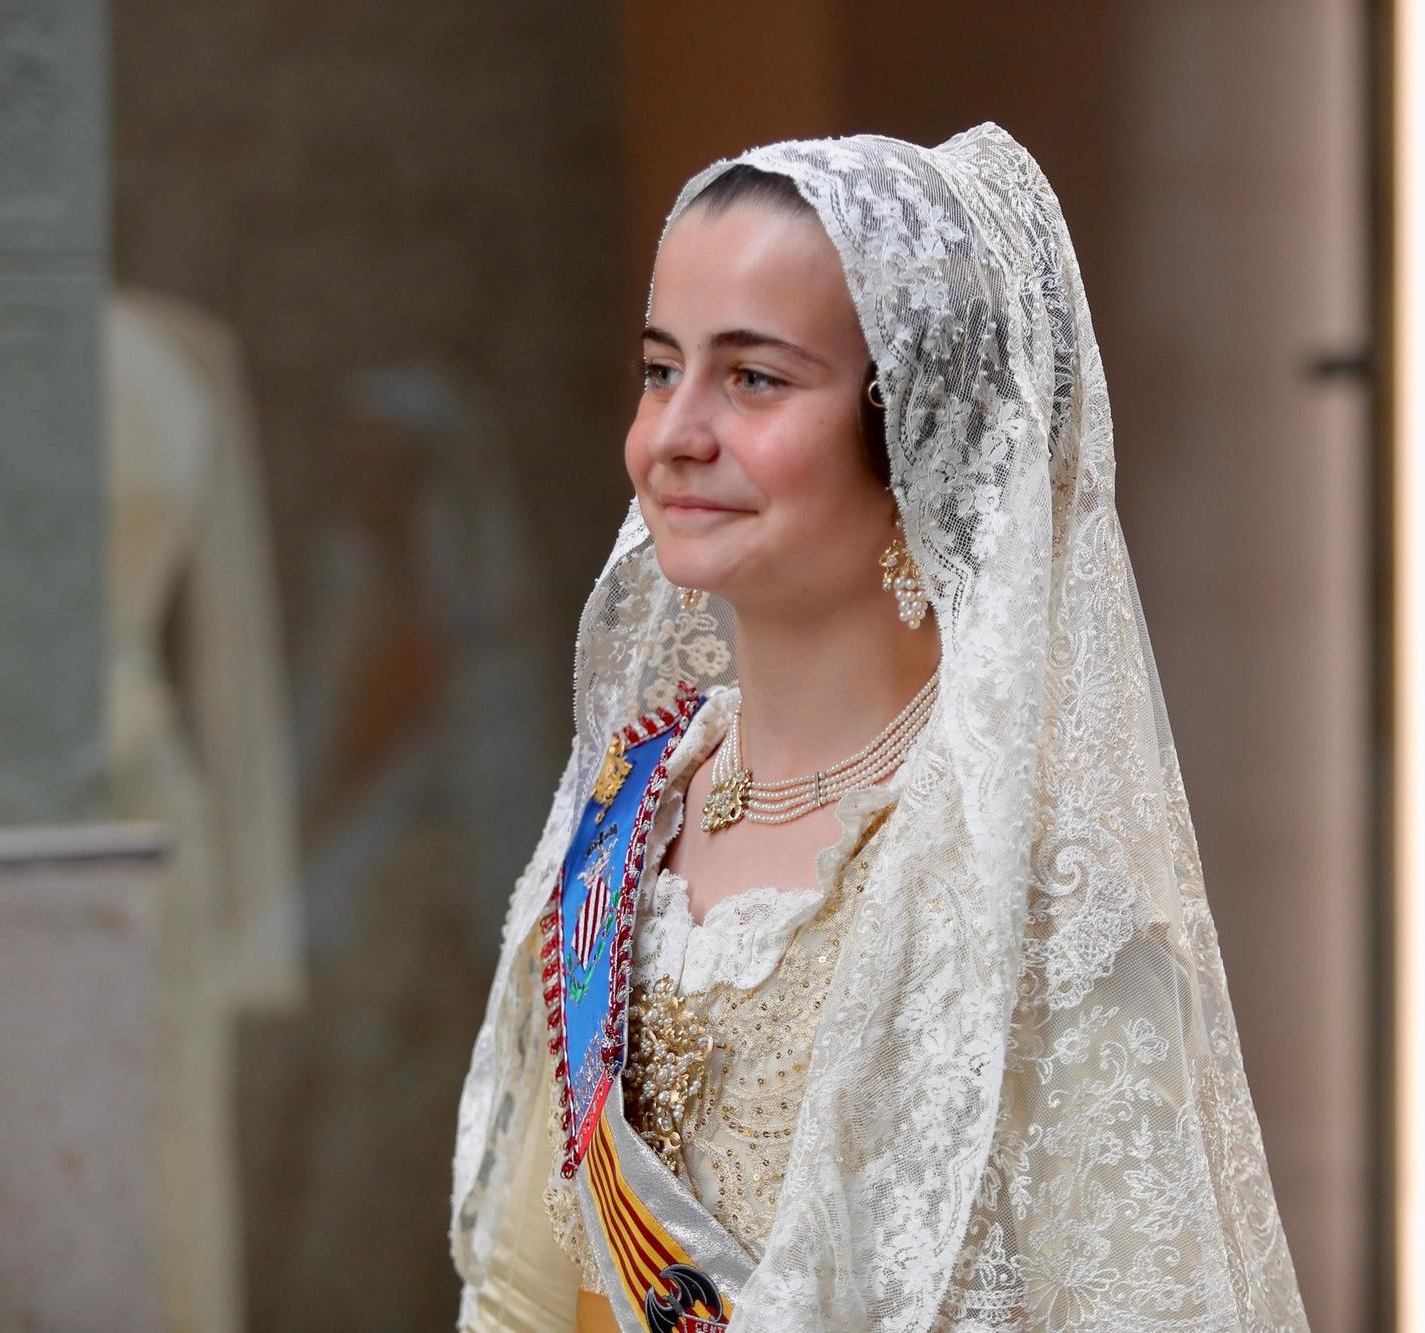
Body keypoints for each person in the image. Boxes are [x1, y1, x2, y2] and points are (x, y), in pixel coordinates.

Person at [450, 123, 1311, 1332]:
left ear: (916, 432)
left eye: (752, 377)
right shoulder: (624, 813)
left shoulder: (1041, 902)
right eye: (659, 369)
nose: (672, 435)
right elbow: (519, 1293)